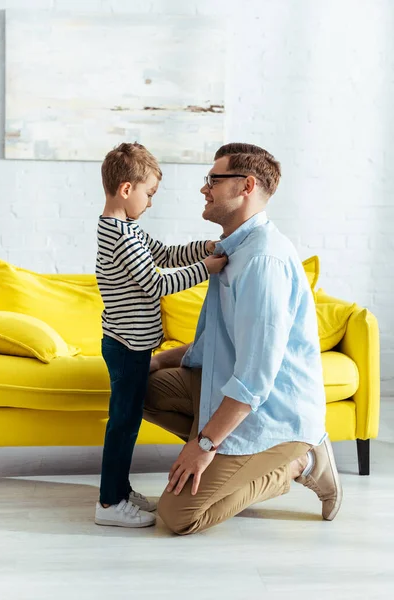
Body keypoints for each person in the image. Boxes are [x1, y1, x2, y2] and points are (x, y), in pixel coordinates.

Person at [144, 142, 342, 535]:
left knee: (179, 517)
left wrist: (202, 446)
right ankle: (227, 455)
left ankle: (298, 463)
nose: (205, 189)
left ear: (246, 186)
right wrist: (153, 362)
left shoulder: (261, 261)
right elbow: (217, 345)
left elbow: (254, 378)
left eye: (213, 180)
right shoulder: (235, 250)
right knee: (135, 385)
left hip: (272, 412)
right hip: (228, 388)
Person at [94, 142, 227, 528]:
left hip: (130, 345)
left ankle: (118, 489)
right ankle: (108, 504)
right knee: (122, 423)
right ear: (126, 189)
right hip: (126, 347)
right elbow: (155, 284)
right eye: (149, 194)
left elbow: (165, 255)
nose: (150, 203)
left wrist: (203, 247)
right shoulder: (119, 236)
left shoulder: (127, 230)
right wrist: (207, 269)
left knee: (127, 420)